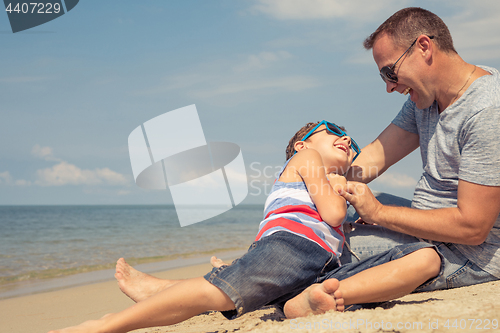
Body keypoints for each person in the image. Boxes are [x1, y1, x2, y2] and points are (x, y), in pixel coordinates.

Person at [48, 121, 441, 333]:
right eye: (332, 130)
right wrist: (342, 188)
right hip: (294, 249)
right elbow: (335, 215)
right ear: (302, 145)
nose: (346, 137)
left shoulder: (324, 175)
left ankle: (297, 304)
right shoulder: (307, 164)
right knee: (218, 294)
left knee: (424, 258)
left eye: (349, 140)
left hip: (322, 268)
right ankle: (104, 327)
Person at [281, 7, 500, 317]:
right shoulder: (427, 97)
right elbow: (374, 157)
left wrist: (379, 213)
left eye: (389, 72)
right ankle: (262, 257)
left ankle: (272, 282)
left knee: (330, 245)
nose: (389, 86)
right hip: (430, 225)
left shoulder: (488, 111)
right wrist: (317, 181)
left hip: (466, 253)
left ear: (424, 47)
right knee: (332, 218)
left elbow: (473, 227)